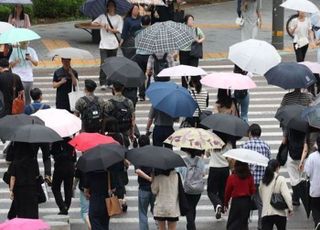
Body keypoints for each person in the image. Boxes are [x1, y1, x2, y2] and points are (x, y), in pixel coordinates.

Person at [242, 124, 271, 230]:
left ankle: (245, 224)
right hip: (262, 180)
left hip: (248, 180)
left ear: (250, 133)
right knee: (261, 204)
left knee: (245, 203)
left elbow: (242, 163)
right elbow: (269, 162)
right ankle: (261, 225)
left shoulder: (246, 145)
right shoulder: (266, 145)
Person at [92, 0, 123, 90]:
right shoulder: (103, 16)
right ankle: (102, 82)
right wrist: (101, 24)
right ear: (107, 7)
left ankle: (110, 82)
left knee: (112, 64)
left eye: (112, 6)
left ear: (115, 7)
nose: (111, 7)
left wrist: (109, 29)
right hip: (104, 44)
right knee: (104, 63)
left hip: (113, 44)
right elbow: (93, 23)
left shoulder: (119, 18)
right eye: (109, 6)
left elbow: (119, 30)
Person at [259, 159, 293, 230]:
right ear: (277, 167)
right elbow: (287, 196)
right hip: (279, 212)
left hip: (266, 213)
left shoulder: (263, 181)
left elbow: (261, 194)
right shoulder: (280, 179)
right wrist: (290, 208)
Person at [9, 142, 40, 219]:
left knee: (21, 212)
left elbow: (13, 177)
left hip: (20, 190)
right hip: (32, 189)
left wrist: (11, 190)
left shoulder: (15, 162)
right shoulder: (34, 162)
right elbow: (37, 175)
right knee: (32, 212)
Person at [177, 148, 205, 230]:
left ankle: (191, 226)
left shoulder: (183, 161)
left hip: (187, 189)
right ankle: (190, 226)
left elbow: (179, 173)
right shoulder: (200, 161)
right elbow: (203, 174)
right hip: (198, 190)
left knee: (189, 209)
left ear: (186, 150)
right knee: (193, 207)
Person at [206, 131, 233, 220]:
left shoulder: (212, 141)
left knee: (211, 191)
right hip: (225, 169)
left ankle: (217, 204)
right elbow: (230, 158)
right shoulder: (228, 144)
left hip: (214, 168)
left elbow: (207, 154)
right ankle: (220, 209)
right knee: (222, 190)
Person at [224, 160, 256, 230]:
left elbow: (227, 191)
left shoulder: (232, 177)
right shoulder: (249, 176)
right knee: (243, 223)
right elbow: (253, 190)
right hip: (246, 201)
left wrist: (226, 203)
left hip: (236, 202)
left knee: (232, 222)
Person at [104, 81, 135, 148]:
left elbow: (105, 119)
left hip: (113, 133)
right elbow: (133, 119)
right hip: (125, 131)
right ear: (123, 88)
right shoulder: (129, 102)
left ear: (113, 88)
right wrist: (132, 133)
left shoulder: (109, 103)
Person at [50, 137, 76, 215]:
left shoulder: (56, 142)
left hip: (59, 167)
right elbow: (74, 157)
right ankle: (66, 206)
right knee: (68, 189)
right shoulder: (71, 141)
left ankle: (62, 206)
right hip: (70, 167)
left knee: (55, 187)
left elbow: (52, 152)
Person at [179, 15, 205, 88]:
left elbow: (203, 37)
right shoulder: (182, 29)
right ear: (186, 21)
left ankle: (193, 85)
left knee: (194, 70)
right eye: (189, 20)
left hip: (194, 52)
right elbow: (177, 40)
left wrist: (199, 41)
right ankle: (184, 87)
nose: (191, 21)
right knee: (184, 72)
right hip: (184, 52)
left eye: (192, 20)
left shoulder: (196, 29)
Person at [135, 135, 155, 230]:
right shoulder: (153, 153)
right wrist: (152, 178)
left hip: (143, 188)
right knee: (156, 212)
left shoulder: (139, 154)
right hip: (154, 188)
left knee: (142, 213)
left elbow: (138, 171)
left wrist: (147, 178)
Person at [9, 41, 39, 105]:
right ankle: (18, 110)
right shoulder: (15, 51)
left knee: (28, 96)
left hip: (28, 78)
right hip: (18, 77)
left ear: (29, 42)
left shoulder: (31, 50)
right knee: (18, 96)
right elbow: (10, 64)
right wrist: (16, 61)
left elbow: (36, 63)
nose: (25, 43)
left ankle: (27, 110)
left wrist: (30, 59)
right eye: (23, 42)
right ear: (20, 42)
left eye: (27, 42)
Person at [132, 15, 152, 101]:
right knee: (150, 74)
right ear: (150, 23)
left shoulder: (137, 33)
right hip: (149, 55)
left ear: (141, 23)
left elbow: (135, 44)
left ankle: (141, 95)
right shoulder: (152, 32)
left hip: (139, 55)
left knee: (141, 75)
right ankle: (149, 91)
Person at [304, 136, 320, 230]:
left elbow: (308, 172)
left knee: (315, 208)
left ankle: (317, 222)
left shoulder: (312, 157)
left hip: (315, 189)